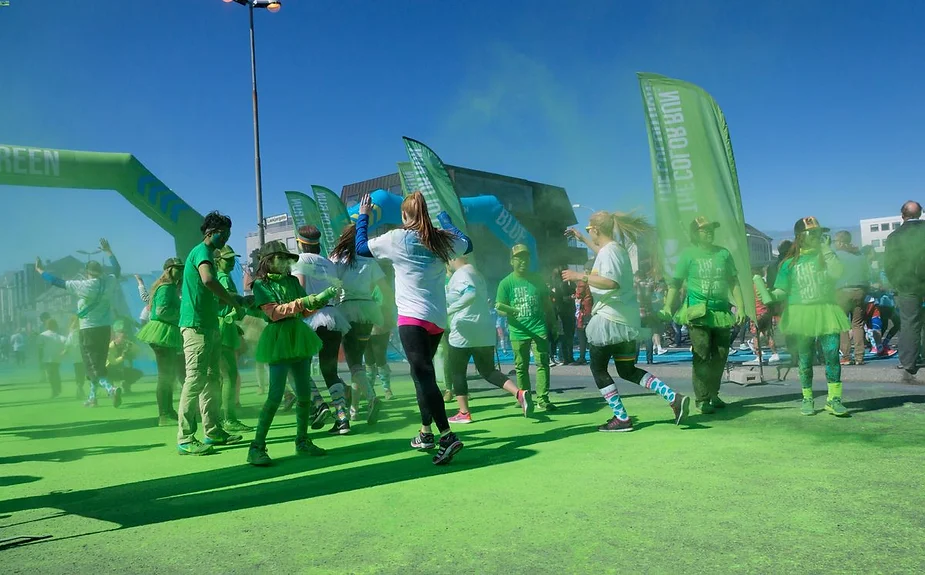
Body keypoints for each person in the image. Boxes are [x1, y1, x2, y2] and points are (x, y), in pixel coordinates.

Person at [356, 191, 469, 465]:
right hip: (437, 319)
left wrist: (363, 216)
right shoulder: (440, 238)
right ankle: (426, 432)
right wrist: (444, 218)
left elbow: (360, 248)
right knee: (420, 374)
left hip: (412, 318)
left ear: (405, 216)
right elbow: (467, 244)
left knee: (424, 375)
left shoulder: (397, 238)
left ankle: (446, 436)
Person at [566, 212, 689, 431]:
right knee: (627, 370)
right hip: (626, 322)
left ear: (596, 229)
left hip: (609, 320)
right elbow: (603, 256)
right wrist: (582, 240)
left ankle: (621, 418)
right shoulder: (615, 250)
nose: (589, 233)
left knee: (598, 368)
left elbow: (611, 282)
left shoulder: (610, 252)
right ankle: (673, 398)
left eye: (588, 230)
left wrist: (579, 277)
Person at [246, 240, 336, 466]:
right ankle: (256, 447)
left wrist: (320, 300)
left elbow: (303, 311)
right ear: (268, 261)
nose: (286, 262)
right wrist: (305, 301)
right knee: (275, 396)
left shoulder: (293, 281)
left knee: (305, 394)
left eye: (287, 258)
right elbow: (274, 314)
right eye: (281, 258)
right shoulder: (260, 285)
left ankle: (302, 441)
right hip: (278, 340)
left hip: (299, 337)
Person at [764, 216, 850, 416]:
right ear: (800, 237)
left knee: (831, 354)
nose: (817, 237)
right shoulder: (788, 264)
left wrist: (827, 250)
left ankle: (834, 399)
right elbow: (781, 290)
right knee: (804, 357)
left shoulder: (826, 257)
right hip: (801, 313)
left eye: (819, 233)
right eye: (812, 233)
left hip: (826, 310)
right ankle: (807, 398)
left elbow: (838, 273)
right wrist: (767, 294)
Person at [176, 211, 246, 456]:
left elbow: (207, 293)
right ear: (211, 233)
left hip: (209, 325)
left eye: (228, 234)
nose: (226, 239)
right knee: (195, 379)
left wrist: (233, 300)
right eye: (223, 234)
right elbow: (207, 280)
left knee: (211, 380)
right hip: (196, 327)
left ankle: (213, 430)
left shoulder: (205, 253)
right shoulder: (203, 253)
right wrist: (233, 301)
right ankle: (185, 437)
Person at [660, 217, 746, 414]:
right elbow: (675, 283)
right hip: (697, 313)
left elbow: (734, 282)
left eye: (710, 229)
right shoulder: (688, 255)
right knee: (701, 354)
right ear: (695, 234)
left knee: (721, 354)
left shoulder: (723, 254)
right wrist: (667, 306)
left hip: (721, 312)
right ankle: (702, 398)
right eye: (703, 230)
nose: (708, 232)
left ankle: (713, 393)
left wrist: (741, 307)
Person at [445, 255, 533, 423]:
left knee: (457, 371)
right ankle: (519, 393)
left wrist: (448, 311)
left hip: (464, 330)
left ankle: (464, 413)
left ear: (453, 257)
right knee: (488, 371)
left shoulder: (461, 274)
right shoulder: (476, 273)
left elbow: (470, 294)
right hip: (485, 329)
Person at [37, 239, 124, 408]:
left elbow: (57, 282)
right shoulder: (109, 281)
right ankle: (92, 398)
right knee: (97, 365)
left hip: (88, 330)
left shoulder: (84, 286)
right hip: (105, 329)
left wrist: (40, 271)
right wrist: (108, 251)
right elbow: (117, 269)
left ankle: (111, 389)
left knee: (92, 366)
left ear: (87, 272)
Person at [291, 225, 353, 435]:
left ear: (300, 242)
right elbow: (336, 294)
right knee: (330, 371)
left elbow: (299, 290)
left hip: (309, 318)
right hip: (332, 317)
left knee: (299, 368)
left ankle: (318, 404)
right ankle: (342, 420)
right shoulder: (328, 263)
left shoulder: (300, 261)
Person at [330, 223, 392, 424]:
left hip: (347, 310)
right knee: (358, 362)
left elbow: (331, 286)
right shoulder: (368, 259)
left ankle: (372, 398)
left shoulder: (337, 258)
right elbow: (385, 289)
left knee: (354, 362)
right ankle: (355, 410)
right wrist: (389, 312)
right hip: (368, 311)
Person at [495, 245, 557, 411]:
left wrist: (554, 323)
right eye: (518, 258)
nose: (523, 261)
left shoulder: (537, 279)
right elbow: (499, 308)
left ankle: (543, 399)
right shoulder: (506, 283)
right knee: (521, 367)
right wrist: (508, 310)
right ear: (511, 261)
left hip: (539, 329)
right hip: (518, 331)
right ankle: (524, 396)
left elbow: (547, 304)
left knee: (542, 364)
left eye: (526, 258)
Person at [136, 257, 185, 425]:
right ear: (168, 270)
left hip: (164, 332)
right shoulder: (166, 287)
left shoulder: (166, 286)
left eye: (181, 268)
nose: (180, 271)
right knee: (165, 375)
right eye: (177, 268)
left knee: (168, 375)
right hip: (163, 332)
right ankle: (164, 414)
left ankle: (168, 411)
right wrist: (182, 316)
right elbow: (162, 311)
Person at [884, 201, 925, 383]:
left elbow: (889, 264)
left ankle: (909, 362)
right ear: (921, 213)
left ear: (902, 214)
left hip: (907, 285)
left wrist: (897, 282)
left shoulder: (895, 236)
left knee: (909, 323)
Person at [214, 245, 253, 433]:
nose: (231, 262)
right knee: (228, 375)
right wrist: (244, 302)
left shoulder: (222, 276)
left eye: (232, 259)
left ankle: (222, 417)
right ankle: (228, 418)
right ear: (218, 260)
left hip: (224, 328)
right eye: (227, 259)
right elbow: (227, 300)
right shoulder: (222, 278)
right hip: (223, 330)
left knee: (225, 376)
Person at [833, 231, 869, 365]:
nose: (834, 244)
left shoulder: (836, 256)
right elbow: (867, 273)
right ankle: (860, 357)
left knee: (843, 325)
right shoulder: (860, 255)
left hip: (842, 291)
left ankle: (846, 356)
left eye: (835, 241)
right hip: (860, 290)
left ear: (841, 242)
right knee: (858, 324)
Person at [107, 320, 143, 394]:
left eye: (125, 332)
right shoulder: (111, 346)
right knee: (105, 374)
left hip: (120, 370)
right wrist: (122, 357)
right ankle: (111, 389)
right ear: (116, 334)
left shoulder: (128, 344)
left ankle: (126, 385)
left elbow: (139, 352)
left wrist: (131, 353)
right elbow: (112, 362)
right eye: (121, 332)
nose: (124, 334)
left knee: (138, 373)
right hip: (108, 371)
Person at [39, 319, 67, 398]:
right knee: (56, 373)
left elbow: (40, 348)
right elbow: (65, 341)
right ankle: (57, 388)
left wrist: (40, 358)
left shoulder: (42, 335)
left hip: (47, 358)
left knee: (50, 375)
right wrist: (64, 352)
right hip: (57, 358)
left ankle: (55, 390)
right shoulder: (58, 335)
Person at [574, 262, 594, 365]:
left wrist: (574, 295)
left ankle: (582, 357)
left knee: (582, 335)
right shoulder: (595, 281)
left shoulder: (583, 281)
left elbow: (579, 294)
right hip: (592, 310)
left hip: (584, 312)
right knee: (592, 337)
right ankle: (593, 357)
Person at [65, 316, 87, 398]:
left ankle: (79, 386)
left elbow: (68, 344)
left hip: (76, 357)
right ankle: (80, 387)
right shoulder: (83, 331)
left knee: (78, 372)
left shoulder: (73, 333)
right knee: (82, 372)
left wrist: (65, 351)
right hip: (83, 356)